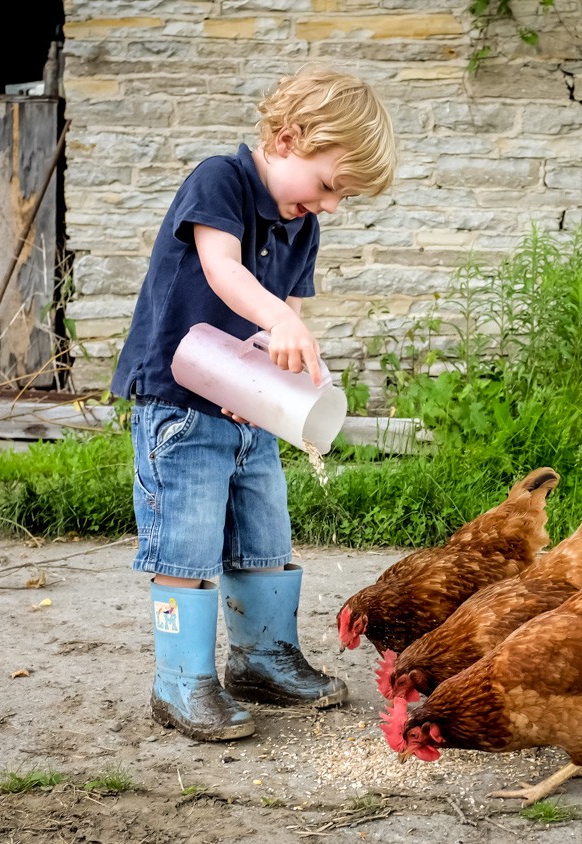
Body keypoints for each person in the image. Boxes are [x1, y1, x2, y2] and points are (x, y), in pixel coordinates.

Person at [109, 65, 397, 741]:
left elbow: (283, 317)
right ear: (289, 138)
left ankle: (261, 659)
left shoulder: (302, 228)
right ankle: (181, 682)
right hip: (180, 407)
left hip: (246, 409)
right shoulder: (221, 181)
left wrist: (287, 368)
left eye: (342, 198)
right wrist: (283, 324)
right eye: (329, 186)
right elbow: (223, 271)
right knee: (187, 546)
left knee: (266, 539)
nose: (329, 205)